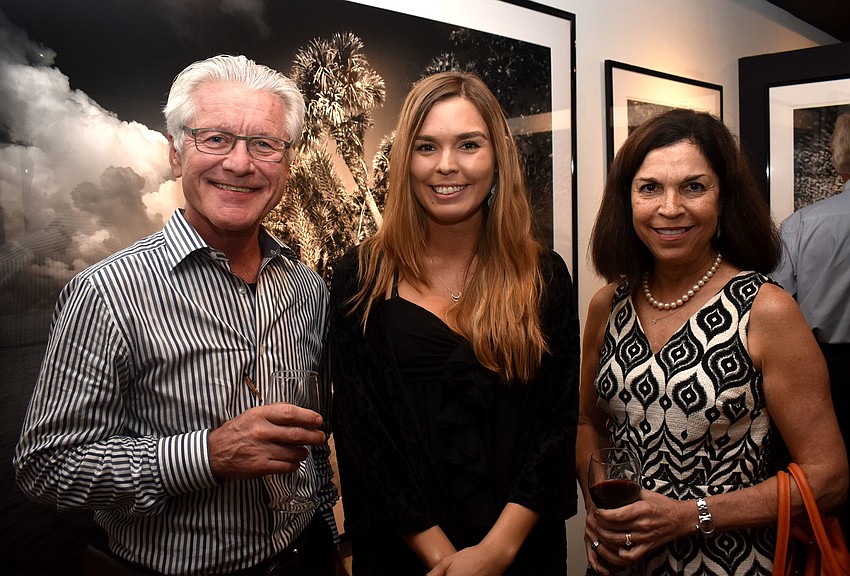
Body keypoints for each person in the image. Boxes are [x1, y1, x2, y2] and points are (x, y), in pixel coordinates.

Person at [13, 54, 339, 575]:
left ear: (286, 162)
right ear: (176, 154)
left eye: (264, 144)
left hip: (306, 556)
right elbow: (46, 467)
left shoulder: (307, 289)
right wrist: (206, 456)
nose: (239, 163)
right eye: (215, 138)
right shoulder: (107, 293)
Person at [329, 71, 580, 575]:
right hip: (405, 556)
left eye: (468, 144)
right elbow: (363, 437)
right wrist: (444, 560)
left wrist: (496, 553)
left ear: (496, 158)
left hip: (521, 553)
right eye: (427, 147)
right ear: (406, 162)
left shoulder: (543, 276)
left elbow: (554, 430)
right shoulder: (360, 275)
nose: (447, 166)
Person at [577, 108, 848, 575]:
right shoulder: (608, 304)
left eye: (694, 187)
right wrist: (601, 507)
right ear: (627, 201)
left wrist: (688, 516)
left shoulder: (766, 310)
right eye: (649, 188)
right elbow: (588, 422)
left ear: (723, 201)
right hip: (623, 566)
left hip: (731, 562)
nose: (670, 207)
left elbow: (829, 478)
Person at [773, 111, 850, 539]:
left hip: (820, 372)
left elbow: (775, 301)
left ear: (839, 157)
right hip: (814, 370)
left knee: (821, 501)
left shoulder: (803, 224)